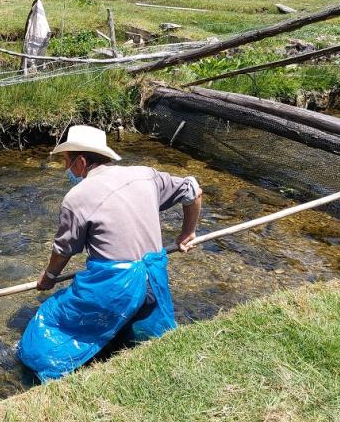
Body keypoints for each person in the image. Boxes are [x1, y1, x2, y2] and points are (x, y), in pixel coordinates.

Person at [18, 125, 202, 382]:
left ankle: (42, 371)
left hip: (115, 286)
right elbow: (193, 190)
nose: (66, 169)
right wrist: (187, 233)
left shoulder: (76, 197)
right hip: (154, 277)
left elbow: (63, 251)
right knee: (143, 333)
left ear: (82, 162)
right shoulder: (145, 175)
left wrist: (48, 277)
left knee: (48, 322)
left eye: (67, 162)